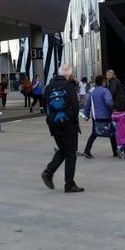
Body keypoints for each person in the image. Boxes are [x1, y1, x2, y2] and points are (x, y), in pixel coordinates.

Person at [40, 63, 83, 193]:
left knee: (63, 150)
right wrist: (74, 121)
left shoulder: (49, 87)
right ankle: (69, 184)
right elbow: (75, 107)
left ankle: (49, 172)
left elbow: (44, 106)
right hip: (68, 125)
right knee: (71, 153)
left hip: (54, 124)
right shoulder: (69, 86)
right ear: (69, 74)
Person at [82, 74, 120, 159]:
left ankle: (87, 150)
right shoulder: (106, 91)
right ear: (103, 81)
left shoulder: (92, 92)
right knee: (112, 132)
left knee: (94, 133)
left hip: (96, 117)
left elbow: (87, 105)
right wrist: (114, 109)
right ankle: (115, 151)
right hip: (106, 115)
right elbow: (109, 103)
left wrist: (86, 115)